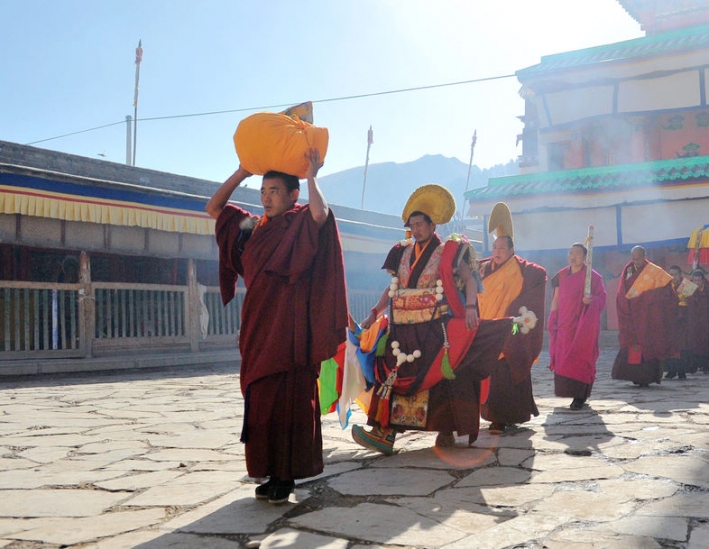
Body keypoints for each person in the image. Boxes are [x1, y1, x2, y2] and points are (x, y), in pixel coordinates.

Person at [206, 149, 348, 505]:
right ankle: (268, 470)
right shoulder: (253, 228)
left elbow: (321, 214)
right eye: (263, 191)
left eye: (274, 191)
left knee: (289, 400)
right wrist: (242, 171)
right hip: (258, 325)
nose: (266, 198)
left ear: (293, 195)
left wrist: (312, 174)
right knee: (261, 400)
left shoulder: (299, 222)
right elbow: (214, 208)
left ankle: (286, 476)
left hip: (291, 327)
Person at [352, 185, 524, 454]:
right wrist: (374, 313)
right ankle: (384, 433)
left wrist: (470, 306)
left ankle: (445, 431)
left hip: (435, 329)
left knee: (441, 381)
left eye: (420, 224)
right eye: (412, 225)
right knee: (393, 376)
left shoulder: (449, 251)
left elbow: (469, 278)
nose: (416, 229)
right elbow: (393, 287)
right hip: (402, 331)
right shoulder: (402, 252)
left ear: (433, 225)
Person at [477, 204, 547, 433]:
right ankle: (493, 416)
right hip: (486, 329)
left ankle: (504, 417)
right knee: (489, 373)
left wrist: (513, 320)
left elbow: (534, 291)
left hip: (511, 329)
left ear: (511, 250)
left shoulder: (524, 271)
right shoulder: (483, 269)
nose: (497, 252)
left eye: (501, 248)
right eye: (494, 247)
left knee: (507, 368)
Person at [548, 242, 606, 409]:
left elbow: (601, 299)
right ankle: (568, 390)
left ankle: (579, 396)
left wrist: (591, 300)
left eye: (578, 253)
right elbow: (556, 297)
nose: (573, 256)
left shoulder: (593, 277)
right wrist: (552, 316)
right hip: (564, 324)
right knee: (564, 360)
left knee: (581, 358)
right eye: (571, 253)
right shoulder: (561, 275)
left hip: (583, 325)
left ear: (585, 257)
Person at [611, 246, 675, 387]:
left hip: (649, 317)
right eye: (634, 259)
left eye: (639, 259)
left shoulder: (655, 271)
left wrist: (646, 297)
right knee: (633, 346)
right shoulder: (628, 270)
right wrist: (626, 307)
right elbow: (622, 292)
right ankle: (634, 375)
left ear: (645, 256)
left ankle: (647, 377)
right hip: (632, 316)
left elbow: (668, 293)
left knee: (649, 345)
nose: (636, 262)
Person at [664, 265, 692, 380]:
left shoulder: (687, 286)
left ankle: (682, 371)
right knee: (670, 346)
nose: (673, 277)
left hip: (683, 323)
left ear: (680, 275)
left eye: (675, 274)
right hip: (670, 322)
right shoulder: (666, 287)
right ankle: (671, 370)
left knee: (682, 347)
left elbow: (695, 305)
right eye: (671, 274)